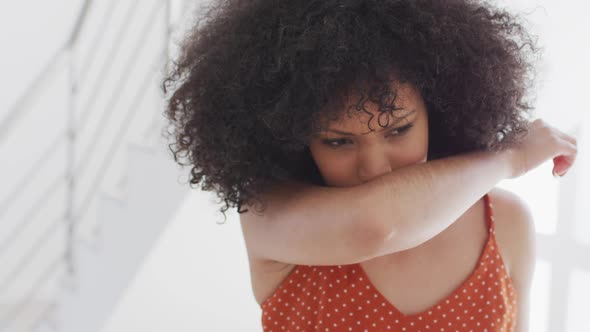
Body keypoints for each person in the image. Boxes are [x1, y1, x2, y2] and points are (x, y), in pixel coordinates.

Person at [161, 0, 578, 331]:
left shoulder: (504, 222)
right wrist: (509, 157)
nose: (375, 168)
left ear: (440, 109)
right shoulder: (269, 214)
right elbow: (378, 226)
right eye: (339, 142)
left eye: (398, 130)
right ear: (292, 139)